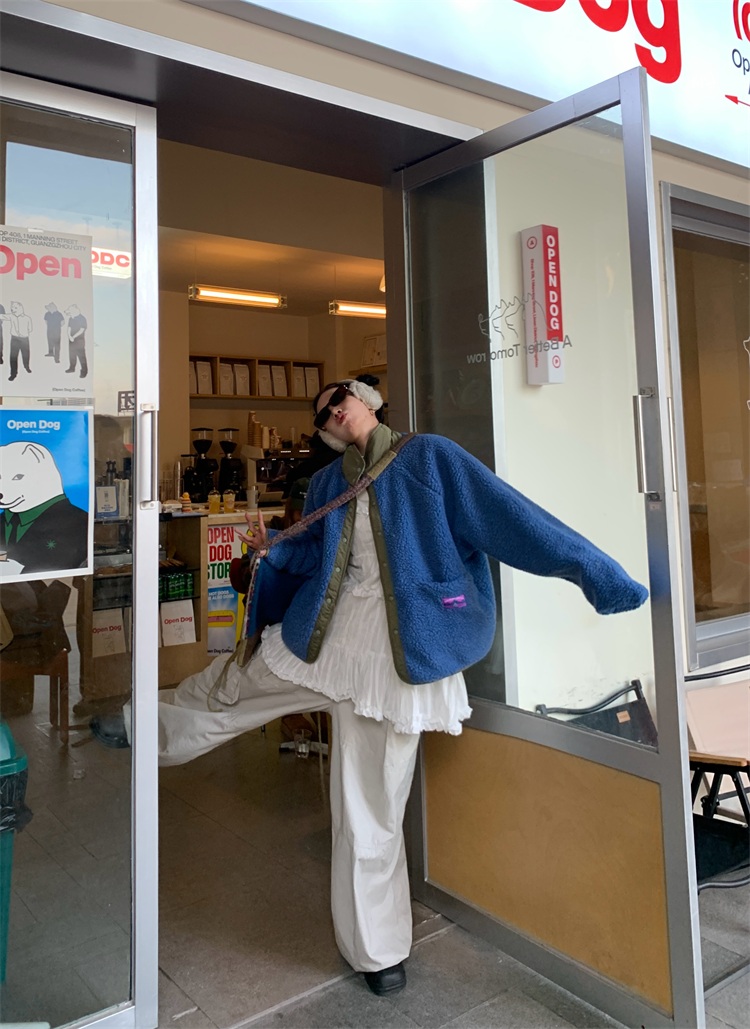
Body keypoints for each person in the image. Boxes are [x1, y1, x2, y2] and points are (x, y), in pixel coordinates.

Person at [155, 375, 647, 997]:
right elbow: (315, 559)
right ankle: (146, 730)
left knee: (372, 809)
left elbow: (512, 518)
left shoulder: (431, 458)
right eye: (322, 415)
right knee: (230, 686)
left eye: (339, 399)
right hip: (319, 638)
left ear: (366, 401)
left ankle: (377, 950)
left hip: (398, 655)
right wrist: (272, 548)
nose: (333, 413)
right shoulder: (327, 484)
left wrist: (596, 572)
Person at [65, 303, 88, 378]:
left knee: (82, 357)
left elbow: (82, 330)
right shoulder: (71, 318)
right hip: (71, 340)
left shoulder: (82, 318)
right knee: (72, 355)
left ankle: (84, 372)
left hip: (79, 341)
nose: (67, 312)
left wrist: (73, 337)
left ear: (75, 310)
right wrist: (69, 336)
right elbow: (69, 328)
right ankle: (72, 368)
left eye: (69, 310)